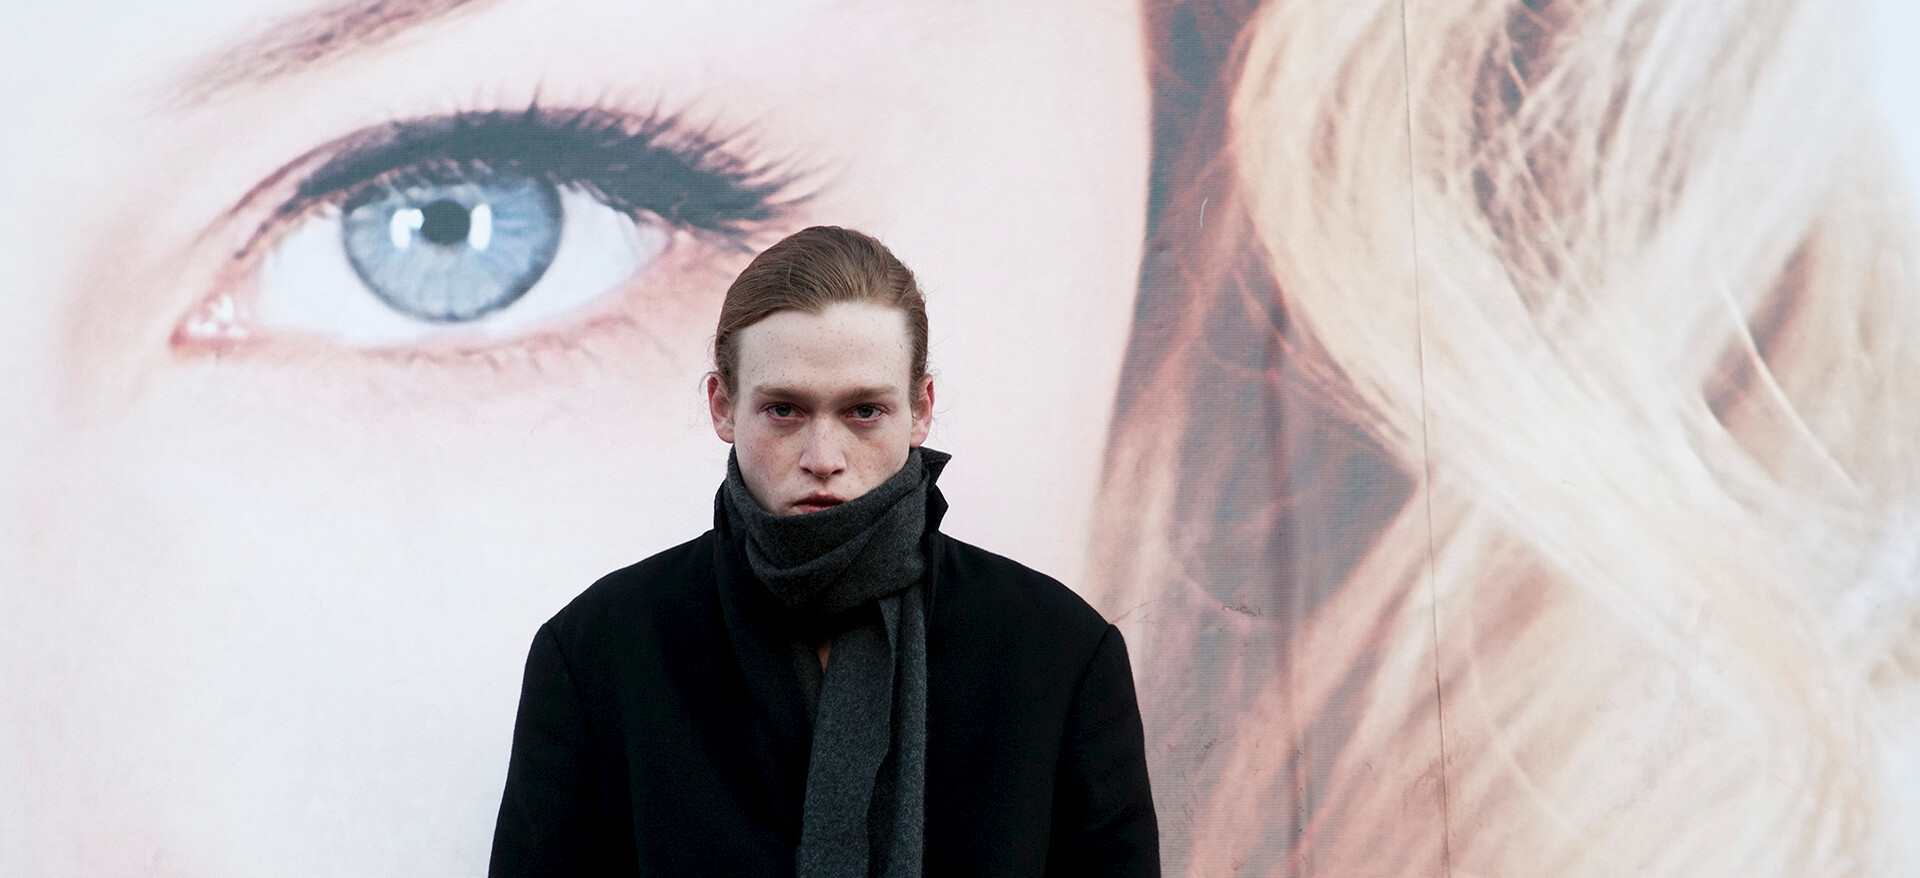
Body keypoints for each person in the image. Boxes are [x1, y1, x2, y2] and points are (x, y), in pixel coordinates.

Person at [487, 226, 1159, 876]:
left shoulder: (1056, 652)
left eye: (864, 411)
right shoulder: (601, 650)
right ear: (722, 407)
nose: (823, 458)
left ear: (921, 409)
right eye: (784, 410)